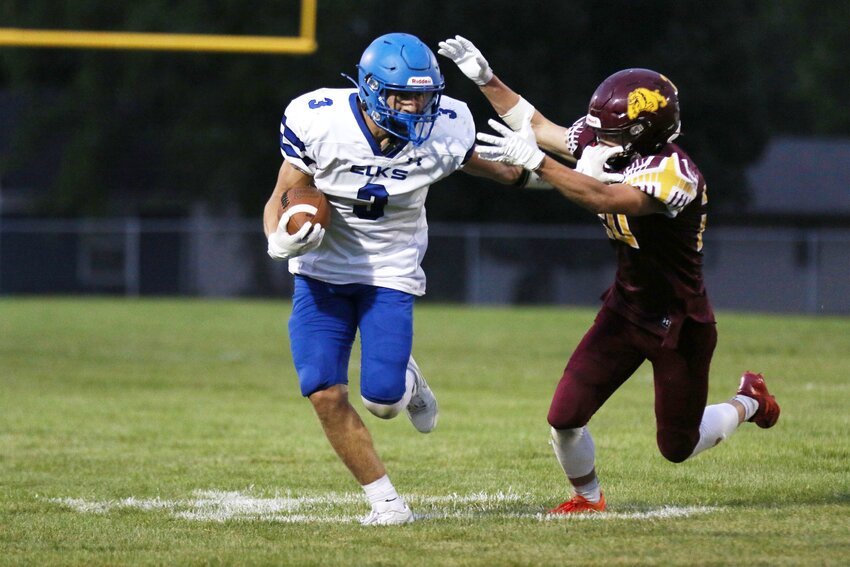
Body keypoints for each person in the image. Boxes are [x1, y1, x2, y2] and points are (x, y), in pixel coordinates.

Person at [438, 36, 781, 513]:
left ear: (645, 131)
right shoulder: (609, 144)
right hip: (625, 308)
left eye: (611, 133)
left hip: (679, 324)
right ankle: (588, 498)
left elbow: (606, 198)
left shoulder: (675, 173)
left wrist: (537, 161)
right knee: (564, 416)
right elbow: (539, 126)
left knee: (677, 447)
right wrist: (485, 79)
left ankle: (748, 400)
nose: (597, 141)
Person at [263, 33, 526, 526]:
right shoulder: (320, 120)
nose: (415, 105)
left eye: (424, 94)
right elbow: (283, 193)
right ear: (368, 89)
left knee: (383, 402)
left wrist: (535, 162)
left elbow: (503, 172)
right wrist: (277, 240)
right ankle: (386, 502)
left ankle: (409, 379)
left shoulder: (447, 128)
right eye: (401, 94)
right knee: (322, 390)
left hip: (390, 270)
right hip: (321, 272)